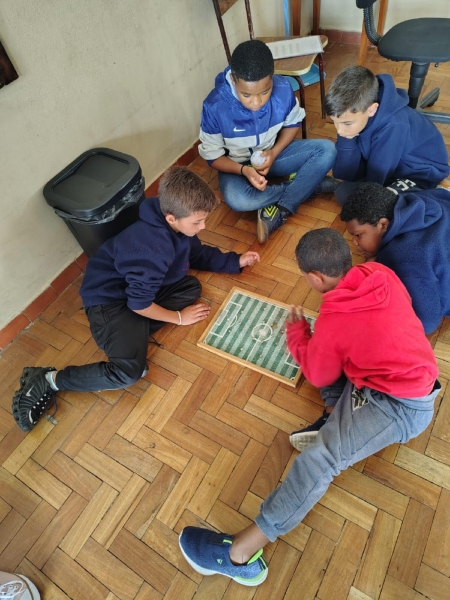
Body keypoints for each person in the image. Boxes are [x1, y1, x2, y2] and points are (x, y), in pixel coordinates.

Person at [178, 228, 440, 586]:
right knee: (330, 353)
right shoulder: (378, 271)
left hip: (401, 407)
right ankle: (332, 416)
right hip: (404, 375)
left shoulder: (334, 320)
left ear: (315, 277)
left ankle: (239, 555)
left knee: (319, 460)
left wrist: (298, 334)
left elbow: (317, 374)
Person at [12, 166, 260, 432]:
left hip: (136, 295)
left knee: (190, 287)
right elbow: (139, 303)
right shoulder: (152, 248)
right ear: (171, 218)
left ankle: (131, 339)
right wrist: (178, 318)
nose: (203, 227)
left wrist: (234, 261)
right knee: (127, 373)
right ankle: (49, 379)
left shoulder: (175, 225)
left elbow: (195, 254)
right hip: (108, 301)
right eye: (197, 222)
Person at [199, 39, 338, 243]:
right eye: (246, 95)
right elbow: (213, 158)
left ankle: (285, 202)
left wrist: (274, 152)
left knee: (327, 150)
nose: (256, 102)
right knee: (239, 200)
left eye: (265, 92)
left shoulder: (282, 89)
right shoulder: (214, 106)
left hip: (273, 156)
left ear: (272, 78)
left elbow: (293, 123)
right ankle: (309, 186)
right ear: (234, 80)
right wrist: (244, 170)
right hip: (236, 167)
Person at [324, 66, 450, 205]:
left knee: (357, 200)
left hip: (420, 172)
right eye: (335, 122)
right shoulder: (352, 117)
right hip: (388, 164)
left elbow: (376, 179)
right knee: (345, 192)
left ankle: (435, 193)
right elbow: (344, 173)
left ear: (372, 109)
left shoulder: (394, 125)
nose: (340, 130)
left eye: (346, 123)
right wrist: (348, 140)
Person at [340, 181, 450, 334]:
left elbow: (426, 323)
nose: (353, 241)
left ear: (383, 225)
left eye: (358, 235)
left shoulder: (404, 260)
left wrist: (378, 265)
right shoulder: (417, 198)